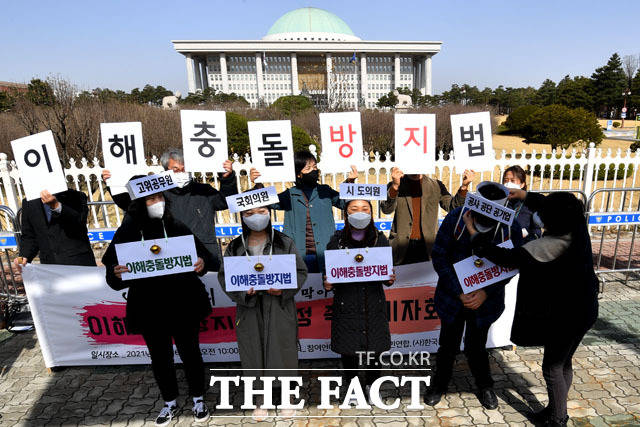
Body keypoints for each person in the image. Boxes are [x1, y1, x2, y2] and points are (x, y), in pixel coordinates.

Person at [467, 190, 598, 426]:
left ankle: (558, 418)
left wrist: (475, 234)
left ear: (551, 220)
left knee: (553, 368)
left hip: (567, 317)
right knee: (565, 361)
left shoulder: (544, 247)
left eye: (544, 214)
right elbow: (558, 205)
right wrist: (525, 195)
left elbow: (503, 257)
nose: (540, 215)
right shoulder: (578, 229)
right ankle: (556, 408)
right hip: (586, 310)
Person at [102, 187, 213, 426]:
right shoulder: (128, 231)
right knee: (160, 357)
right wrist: (117, 273)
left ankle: (198, 398)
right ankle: (169, 402)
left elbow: (207, 258)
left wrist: (201, 263)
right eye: (152, 199)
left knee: (190, 353)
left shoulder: (177, 226)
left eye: (161, 197)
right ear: (140, 203)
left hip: (183, 303)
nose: (158, 202)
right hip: (149, 307)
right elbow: (112, 273)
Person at [425, 181, 523, 409]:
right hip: (452, 298)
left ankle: (484, 385)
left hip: (486, 302)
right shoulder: (456, 218)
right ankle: (439, 384)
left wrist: (486, 293)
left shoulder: (511, 227)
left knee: (476, 345)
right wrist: (460, 292)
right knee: (447, 344)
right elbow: (439, 256)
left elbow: (511, 265)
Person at [217, 204, 307, 420]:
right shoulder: (235, 246)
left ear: (269, 213)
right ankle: (260, 398)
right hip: (249, 309)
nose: (256, 217)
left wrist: (283, 289)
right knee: (253, 352)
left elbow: (300, 271)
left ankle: (287, 395)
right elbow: (225, 276)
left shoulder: (285, 242)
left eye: (261, 211)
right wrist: (242, 294)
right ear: (242, 217)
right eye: (249, 213)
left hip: (279, 306)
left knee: (283, 349)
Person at [102, 147, 238, 271]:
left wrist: (227, 178)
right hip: (169, 261)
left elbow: (227, 202)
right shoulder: (158, 194)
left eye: (185, 168)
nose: (182, 172)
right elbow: (129, 203)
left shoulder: (204, 190)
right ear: (166, 171)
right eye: (176, 169)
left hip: (205, 258)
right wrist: (113, 183)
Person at [323, 199, 396, 404]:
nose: (360, 213)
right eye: (354, 209)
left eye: (365, 209)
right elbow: (328, 273)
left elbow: (386, 275)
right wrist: (328, 283)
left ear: (372, 213)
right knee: (349, 352)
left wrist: (389, 278)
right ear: (346, 214)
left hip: (373, 304)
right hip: (346, 305)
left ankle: (373, 386)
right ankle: (353, 387)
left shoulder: (379, 240)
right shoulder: (336, 241)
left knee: (375, 350)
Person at [249, 149, 357, 272]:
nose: (313, 171)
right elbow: (268, 202)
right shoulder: (290, 194)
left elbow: (344, 203)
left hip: (326, 251)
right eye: (308, 168)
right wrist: (257, 183)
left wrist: (350, 182)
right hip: (298, 253)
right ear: (298, 173)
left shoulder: (325, 190)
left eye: (315, 167)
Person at [380, 167, 475, 265]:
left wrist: (464, 187)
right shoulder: (395, 184)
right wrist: (395, 186)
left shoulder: (436, 185)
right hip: (401, 247)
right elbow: (386, 209)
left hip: (428, 246)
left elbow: (452, 207)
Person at [14, 189, 96, 269]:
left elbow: (79, 222)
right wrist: (22, 258)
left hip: (79, 264)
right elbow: (29, 236)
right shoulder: (29, 201)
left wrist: (56, 206)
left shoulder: (77, 196)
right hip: (50, 267)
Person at [502, 165, 541, 241]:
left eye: (512, 181)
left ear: (522, 184)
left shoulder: (530, 205)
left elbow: (537, 232)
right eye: (505, 180)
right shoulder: (499, 203)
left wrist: (524, 238)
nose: (508, 184)